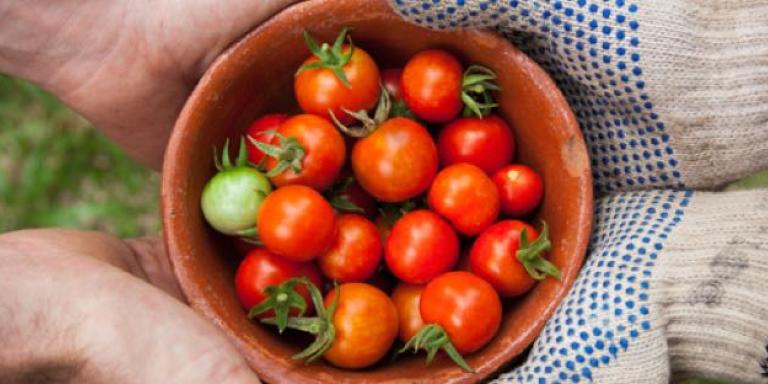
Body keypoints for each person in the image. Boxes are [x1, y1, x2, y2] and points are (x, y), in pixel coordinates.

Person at [0, 0, 766, 383]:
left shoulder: (344, 148)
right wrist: (61, 314)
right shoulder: (328, 244)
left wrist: (88, 31)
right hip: (414, 256)